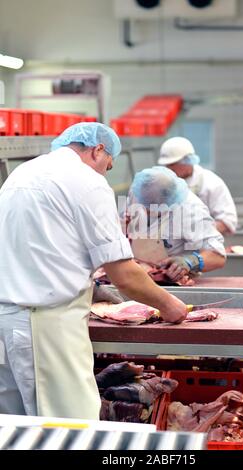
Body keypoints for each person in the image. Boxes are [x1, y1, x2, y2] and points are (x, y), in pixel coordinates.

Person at [0, 123, 188, 419]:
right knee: (68, 427)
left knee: (15, 427)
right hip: (45, 327)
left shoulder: (22, 172)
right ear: (98, 150)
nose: (104, 173)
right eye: (108, 166)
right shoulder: (87, 180)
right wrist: (170, 305)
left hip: (7, 320)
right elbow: (123, 274)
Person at [124, 166, 226, 283]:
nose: (147, 210)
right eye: (145, 205)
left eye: (155, 206)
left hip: (171, 281)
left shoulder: (191, 210)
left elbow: (218, 256)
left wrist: (190, 262)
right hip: (135, 274)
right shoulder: (138, 191)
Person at [158, 137, 238, 234]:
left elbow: (227, 221)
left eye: (173, 164)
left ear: (188, 161)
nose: (169, 169)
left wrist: (198, 233)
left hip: (205, 246)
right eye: (167, 165)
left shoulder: (211, 183)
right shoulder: (162, 184)